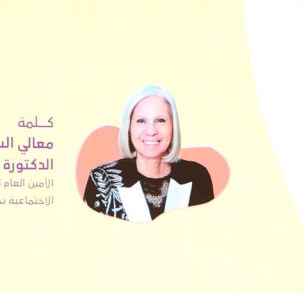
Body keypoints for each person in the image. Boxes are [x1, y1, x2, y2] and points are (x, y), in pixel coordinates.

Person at [83, 84, 214, 222]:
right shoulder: (102, 180)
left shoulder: (197, 177)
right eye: (141, 121)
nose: (151, 131)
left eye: (160, 120)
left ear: (173, 126)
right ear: (129, 127)